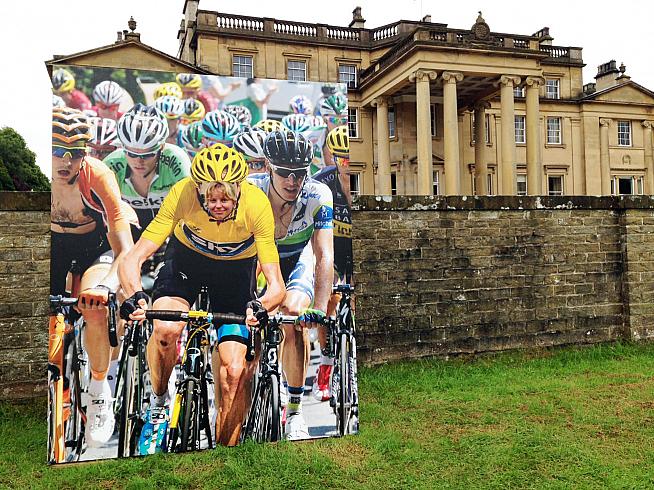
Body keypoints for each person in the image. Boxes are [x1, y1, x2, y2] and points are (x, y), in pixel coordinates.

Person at [118, 144, 286, 451]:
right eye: (210, 196)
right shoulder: (183, 193)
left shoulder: (257, 205)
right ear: (198, 189)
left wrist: (261, 306)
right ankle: (158, 403)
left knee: (234, 372)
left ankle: (222, 457)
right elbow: (134, 257)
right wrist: (134, 295)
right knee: (166, 329)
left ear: (239, 189)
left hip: (235, 272)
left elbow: (277, 286)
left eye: (226, 197)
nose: (218, 204)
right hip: (187, 262)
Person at [50, 107, 136, 447]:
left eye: (75, 153)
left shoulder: (97, 176)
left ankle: (99, 391)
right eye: (58, 150)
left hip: (96, 248)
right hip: (52, 246)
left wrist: (105, 287)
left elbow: (124, 248)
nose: (66, 161)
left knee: (95, 308)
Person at [248, 130, 334, 440]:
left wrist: (320, 309)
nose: (292, 181)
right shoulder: (250, 190)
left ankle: (296, 412)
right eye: (284, 172)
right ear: (268, 167)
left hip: (299, 257)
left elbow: (324, 256)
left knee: (294, 316)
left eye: (299, 173)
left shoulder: (318, 194)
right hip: (259, 258)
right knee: (249, 322)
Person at [103, 104, 191, 240]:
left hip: (170, 226)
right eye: (131, 154)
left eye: (147, 155)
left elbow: (189, 211)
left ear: (161, 147)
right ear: (122, 147)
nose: (139, 161)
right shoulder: (111, 164)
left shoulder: (176, 159)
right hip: (129, 229)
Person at [312, 125, 353, 401]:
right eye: (343, 160)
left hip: (355, 248)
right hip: (333, 247)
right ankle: (326, 364)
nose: (348, 166)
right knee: (329, 298)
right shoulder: (323, 182)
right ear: (334, 159)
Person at [176, 73, 241, 113]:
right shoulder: (176, 99)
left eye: (190, 93)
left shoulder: (206, 100)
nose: (186, 96)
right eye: (183, 92)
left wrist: (231, 86)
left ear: (198, 90)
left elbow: (220, 95)